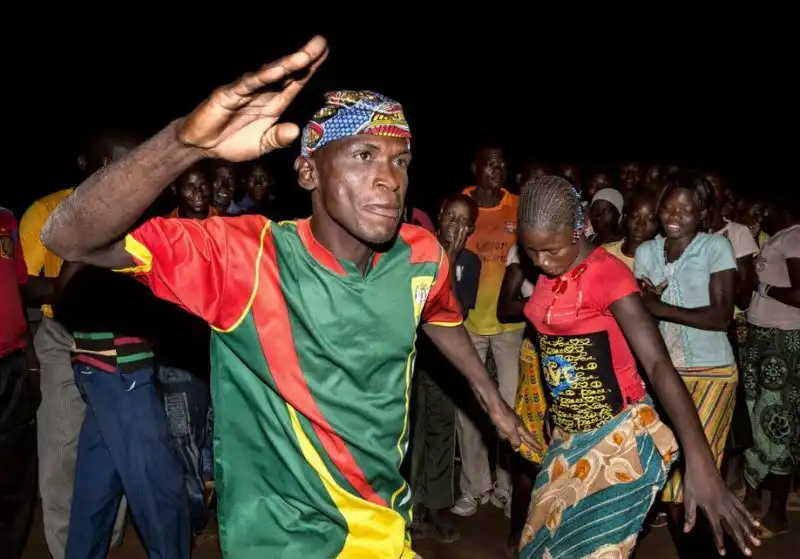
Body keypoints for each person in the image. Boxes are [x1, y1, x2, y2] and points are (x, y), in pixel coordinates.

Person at [40, 36, 534, 559]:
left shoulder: (421, 255)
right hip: (281, 539)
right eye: (364, 155)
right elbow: (69, 237)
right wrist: (184, 144)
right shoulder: (247, 259)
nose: (390, 179)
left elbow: (439, 315)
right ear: (308, 172)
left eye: (401, 161)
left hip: (383, 529)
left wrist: (493, 401)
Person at [514, 175, 758, 558]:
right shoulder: (549, 273)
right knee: (540, 548)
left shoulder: (607, 274)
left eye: (551, 250)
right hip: (568, 436)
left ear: (578, 229)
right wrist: (559, 405)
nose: (541, 262)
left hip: (620, 438)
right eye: (531, 252)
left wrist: (701, 462)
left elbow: (658, 364)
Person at [21, 132, 135, 559]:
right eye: (113, 162)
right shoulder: (47, 210)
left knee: (116, 445)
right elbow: (24, 285)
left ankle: (107, 539)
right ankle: (64, 547)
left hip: (120, 335)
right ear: (88, 163)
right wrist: (81, 279)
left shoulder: (140, 213)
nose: (121, 173)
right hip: (62, 334)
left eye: (131, 163)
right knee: (60, 450)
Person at [634, 172, 744, 556]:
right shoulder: (646, 253)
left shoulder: (716, 248)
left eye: (686, 209)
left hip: (713, 374)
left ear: (702, 213)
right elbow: (641, 319)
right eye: (668, 207)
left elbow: (721, 316)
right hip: (666, 375)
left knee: (700, 473)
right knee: (671, 479)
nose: (674, 216)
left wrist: (658, 306)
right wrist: (646, 307)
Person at [453, 144, 526, 518]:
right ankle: (474, 487)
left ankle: (506, 487)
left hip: (510, 326)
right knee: (470, 409)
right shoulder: (460, 206)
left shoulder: (518, 206)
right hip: (467, 325)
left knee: (510, 408)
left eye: (502, 164)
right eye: (489, 164)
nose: (496, 170)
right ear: (475, 167)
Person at [409, 193, 480, 544]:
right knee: (410, 433)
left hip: (444, 361)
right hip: (412, 355)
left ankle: (436, 505)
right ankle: (410, 507)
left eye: (463, 221)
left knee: (440, 431)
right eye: (451, 216)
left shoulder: (471, 263)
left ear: (472, 229)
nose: (455, 225)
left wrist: (450, 259)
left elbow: (455, 312)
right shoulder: (417, 249)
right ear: (439, 214)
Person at [741, 194, 799, 538]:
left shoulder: (794, 237)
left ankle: (777, 511)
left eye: (768, 209)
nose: (763, 214)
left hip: (782, 340)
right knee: (759, 416)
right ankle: (756, 488)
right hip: (764, 338)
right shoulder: (779, 237)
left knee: (778, 421)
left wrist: (767, 288)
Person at [497, 240, 548, 555]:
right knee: (530, 448)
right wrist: (546, 301)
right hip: (537, 358)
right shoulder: (524, 252)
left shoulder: (587, 249)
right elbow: (504, 308)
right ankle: (518, 530)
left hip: (576, 359)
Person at [0, 207, 42, 559]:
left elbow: (16, 286)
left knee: (14, 473)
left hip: (11, 364)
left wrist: (30, 357)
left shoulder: (6, 220)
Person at [603, 190, 660, 271]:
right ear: (625, 217)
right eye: (635, 216)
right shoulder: (606, 253)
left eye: (650, 219)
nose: (641, 224)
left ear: (658, 224)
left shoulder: (662, 264)